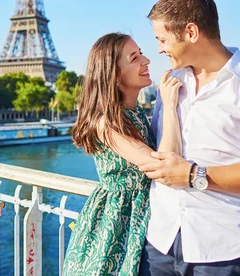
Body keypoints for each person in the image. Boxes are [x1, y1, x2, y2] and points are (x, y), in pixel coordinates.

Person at [138, 0, 240, 276]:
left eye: (162, 39)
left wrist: (193, 175)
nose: (159, 49)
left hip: (223, 249)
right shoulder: (170, 84)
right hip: (160, 241)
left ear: (190, 32)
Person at [63, 32, 184, 275]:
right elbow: (163, 165)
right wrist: (170, 106)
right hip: (116, 224)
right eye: (135, 57)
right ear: (116, 75)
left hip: (139, 219)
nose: (146, 60)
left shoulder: (135, 112)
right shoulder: (105, 123)